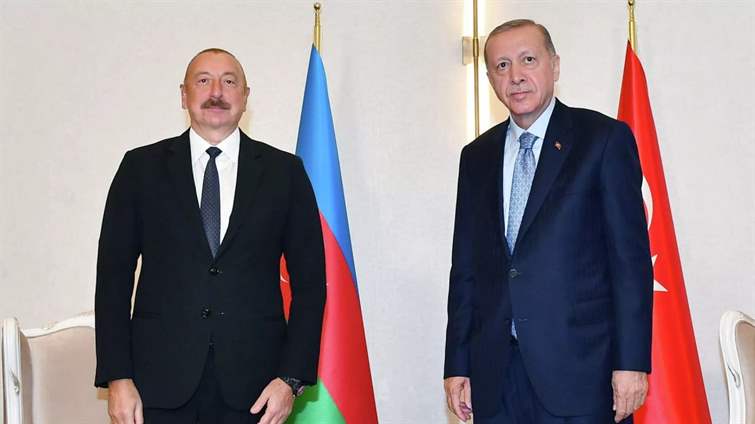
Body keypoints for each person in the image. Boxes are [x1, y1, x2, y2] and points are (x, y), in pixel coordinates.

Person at [95, 48, 326, 424]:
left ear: (245, 97)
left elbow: (311, 285)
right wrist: (118, 378)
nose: (216, 92)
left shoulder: (285, 173)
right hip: (157, 385)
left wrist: (290, 379)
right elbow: (112, 281)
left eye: (229, 82)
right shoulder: (140, 169)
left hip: (257, 390)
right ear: (183, 94)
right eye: (203, 81)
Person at [443, 19, 653, 424]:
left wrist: (631, 363)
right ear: (490, 79)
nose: (516, 76)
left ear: (554, 66)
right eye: (502, 65)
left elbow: (630, 263)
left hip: (583, 374)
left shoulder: (602, 140)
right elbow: (465, 268)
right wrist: (457, 364)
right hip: (496, 377)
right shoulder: (476, 156)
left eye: (528, 60)